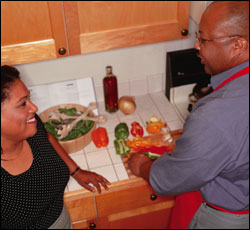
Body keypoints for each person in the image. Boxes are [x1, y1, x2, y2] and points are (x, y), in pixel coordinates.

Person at [128, 1, 249, 229]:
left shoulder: (215, 115)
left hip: (226, 217)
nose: (197, 45)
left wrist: (142, 165)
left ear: (238, 45)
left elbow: (170, 180)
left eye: (203, 39)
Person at [1, 65, 111, 229]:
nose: (34, 108)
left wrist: (76, 171)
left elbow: (47, 138)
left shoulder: (32, 127)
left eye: (29, 99)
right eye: (23, 103)